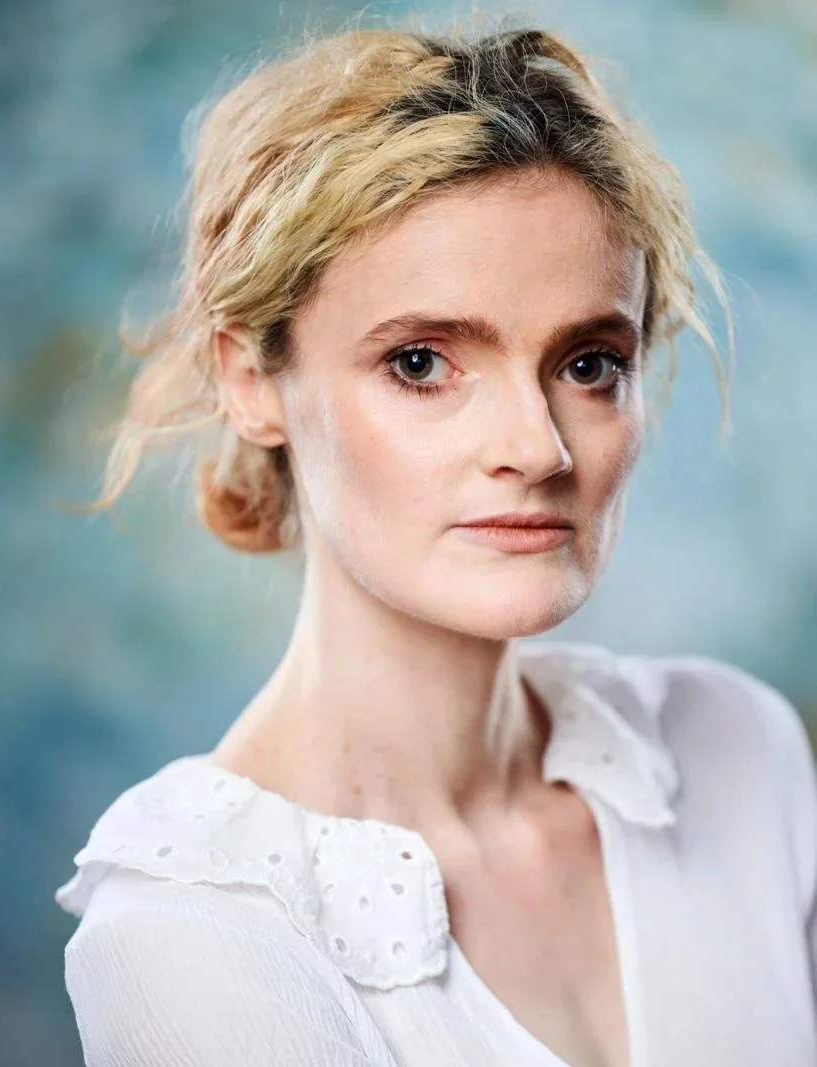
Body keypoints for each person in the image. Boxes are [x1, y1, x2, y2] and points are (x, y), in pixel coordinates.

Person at [54, 18, 817, 1067]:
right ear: (249, 380)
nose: (534, 447)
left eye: (588, 364)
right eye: (420, 361)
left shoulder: (736, 749)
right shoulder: (194, 931)